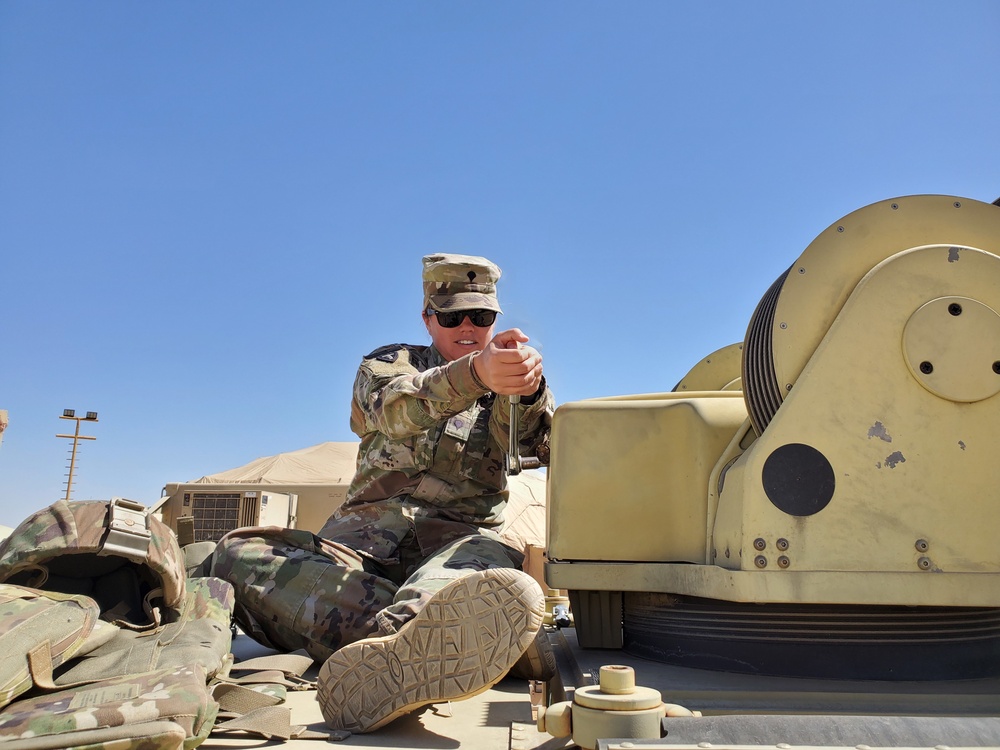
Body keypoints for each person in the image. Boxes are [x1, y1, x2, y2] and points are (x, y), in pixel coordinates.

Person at [213, 253, 554, 733]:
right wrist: (475, 375)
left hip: (459, 545)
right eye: (453, 316)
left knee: (482, 574)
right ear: (428, 318)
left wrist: (529, 393)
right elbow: (392, 410)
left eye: (481, 317)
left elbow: (540, 446)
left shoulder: (513, 383)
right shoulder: (389, 364)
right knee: (236, 554)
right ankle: (435, 645)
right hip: (358, 554)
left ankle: (405, 646)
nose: (467, 327)